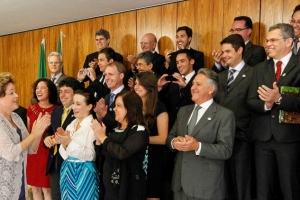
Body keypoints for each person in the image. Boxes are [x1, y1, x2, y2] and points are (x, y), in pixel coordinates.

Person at [247, 23, 300, 200]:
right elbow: (250, 101)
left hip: (289, 138)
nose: (267, 44)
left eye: (273, 40)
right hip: (262, 138)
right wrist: (267, 105)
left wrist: (279, 99)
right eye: (267, 40)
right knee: (263, 191)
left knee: (290, 189)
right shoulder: (260, 68)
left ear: (289, 42)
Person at [167, 68, 235, 200]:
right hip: (180, 185)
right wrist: (174, 142)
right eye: (193, 84)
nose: (193, 87)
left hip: (206, 187)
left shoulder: (224, 115)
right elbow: (171, 136)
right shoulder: (183, 111)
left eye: (198, 84)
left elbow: (226, 150)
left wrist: (197, 146)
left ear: (211, 89)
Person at [0, 72, 51, 200]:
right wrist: (33, 134)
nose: (16, 95)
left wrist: (38, 133)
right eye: (11, 93)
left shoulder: (16, 117)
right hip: (4, 189)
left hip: (20, 183)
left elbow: (31, 149)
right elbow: (11, 153)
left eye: (15, 92)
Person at [214, 34, 253, 200]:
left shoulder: (253, 73)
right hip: (221, 139)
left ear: (240, 50)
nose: (224, 55)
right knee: (224, 183)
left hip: (242, 138)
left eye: (228, 51)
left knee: (242, 184)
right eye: (223, 52)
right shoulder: (220, 77)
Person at [91, 91, 149, 200]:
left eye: (119, 106)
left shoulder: (139, 131)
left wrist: (103, 138)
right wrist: (98, 140)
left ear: (130, 108)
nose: (114, 109)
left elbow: (122, 152)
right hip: (109, 187)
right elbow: (103, 154)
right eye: (115, 105)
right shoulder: (114, 129)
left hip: (128, 188)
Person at [55, 89, 99, 200]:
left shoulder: (93, 125)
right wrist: (64, 143)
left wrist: (69, 142)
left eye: (78, 104)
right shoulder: (72, 123)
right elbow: (64, 153)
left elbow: (91, 155)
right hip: (67, 170)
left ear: (89, 106)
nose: (74, 107)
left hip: (84, 172)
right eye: (73, 103)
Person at [43, 77, 82, 200]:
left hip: (71, 164)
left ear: (75, 93)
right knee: (56, 196)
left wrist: (59, 139)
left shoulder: (80, 113)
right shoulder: (57, 110)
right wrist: (47, 138)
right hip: (54, 162)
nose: (62, 95)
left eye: (67, 91)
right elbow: (50, 130)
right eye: (60, 91)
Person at [134, 72, 168, 200]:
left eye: (140, 84)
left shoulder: (159, 107)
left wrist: (139, 140)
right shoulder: (133, 107)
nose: (136, 87)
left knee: (152, 195)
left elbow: (163, 138)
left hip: (153, 161)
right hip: (135, 159)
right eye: (135, 84)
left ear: (149, 86)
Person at [26, 78, 58, 200]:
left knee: (47, 189)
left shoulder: (56, 110)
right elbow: (29, 132)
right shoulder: (31, 108)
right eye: (37, 88)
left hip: (47, 153)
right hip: (33, 152)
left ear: (49, 91)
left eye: (42, 87)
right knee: (35, 188)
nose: (39, 90)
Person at [93, 61, 128, 133]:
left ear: (121, 76)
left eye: (110, 74)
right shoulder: (107, 97)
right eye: (105, 75)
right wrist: (100, 118)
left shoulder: (128, 96)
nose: (107, 78)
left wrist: (104, 114)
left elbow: (123, 125)